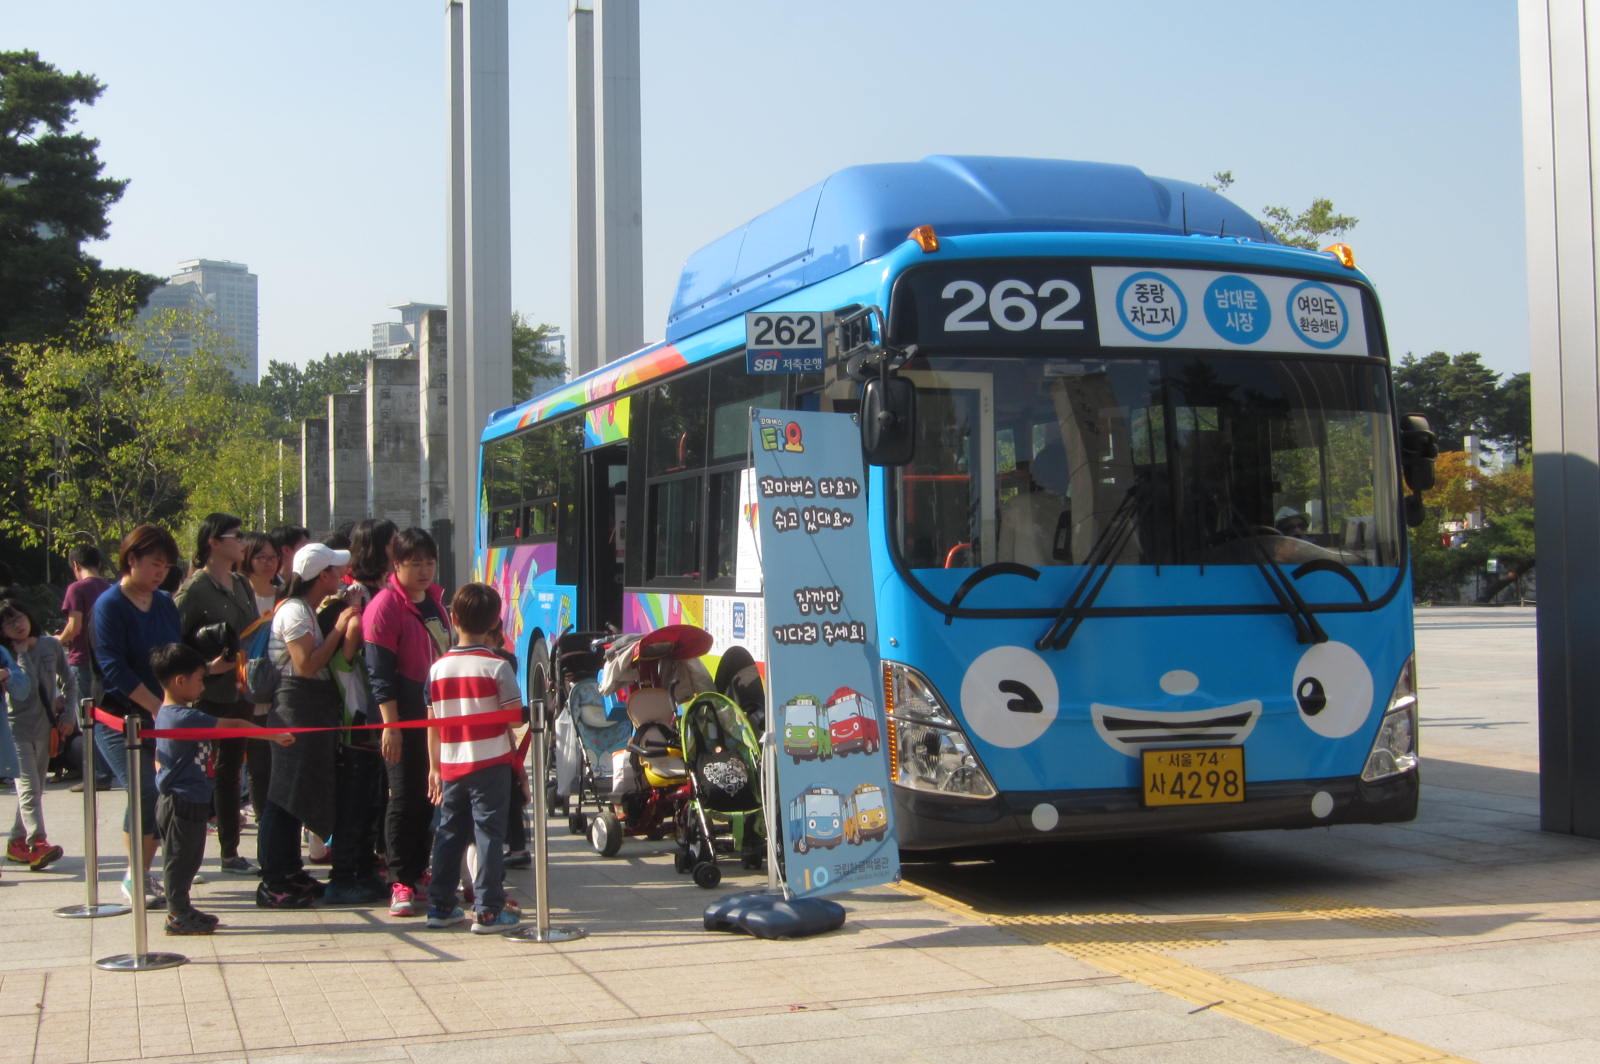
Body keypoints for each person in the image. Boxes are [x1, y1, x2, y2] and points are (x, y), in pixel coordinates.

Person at [151, 643, 293, 935]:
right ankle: (176, 913)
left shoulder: (169, 714)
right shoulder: (182, 717)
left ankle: (183, 908)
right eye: (200, 679)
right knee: (180, 860)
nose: (203, 686)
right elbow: (235, 724)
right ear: (180, 681)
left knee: (189, 857)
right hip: (181, 802)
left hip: (187, 799)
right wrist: (272, 735)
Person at [256, 543, 362, 908]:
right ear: (321, 577)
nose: (340, 575)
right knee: (283, 797)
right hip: (294, 709)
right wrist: (340, 628)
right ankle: (273, 878)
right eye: (335, 570)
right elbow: (305, 664)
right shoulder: (296, 613)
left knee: (295, 795)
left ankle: (289, 871)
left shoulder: (304, 608)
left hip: (307, 709)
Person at [91, 524, 189, 907]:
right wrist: (154, 704)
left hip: (163, 714)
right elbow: (112, 666)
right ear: (131, 560)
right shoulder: (109, 605)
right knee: (143, 789)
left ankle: (147, 869)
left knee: (162, 791)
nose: (160, 572)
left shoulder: (164, 602)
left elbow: (174, 654)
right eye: (154, 563)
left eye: (166, 566)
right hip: (120, 716)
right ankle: (136, 874)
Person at [424, 583, 524, 933]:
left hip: (451, 763)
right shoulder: (497, 667)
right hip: (491, 762)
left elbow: (432, 722)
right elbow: (514, 717)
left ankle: (440, 904)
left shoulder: (437, 668)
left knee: (449, 833)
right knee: (489, 834)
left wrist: (434, 767)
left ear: (453, 619)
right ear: (496, 621)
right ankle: (488, 909)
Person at [366, 527, 450, 918]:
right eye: (414, 562)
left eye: (429, 561)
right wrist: (391, 725)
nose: (423, 570)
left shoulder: (435, 601)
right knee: (402, 797)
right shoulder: (385, 606)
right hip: (402, 714)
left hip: (436, 715)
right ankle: (399, 878)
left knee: (427, 796)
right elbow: (379, 672)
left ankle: (419, 871)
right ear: (396, 564)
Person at [174, 513, 260, 875]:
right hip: (205, 693)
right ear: (213, 542)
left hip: (241, 687)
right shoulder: (194, 589)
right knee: (194, 774)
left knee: (229, 774)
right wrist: (206, 668)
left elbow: (253, 629)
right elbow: (174, 645)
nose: (242, 542)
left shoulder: (241, 582)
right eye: (235, 536)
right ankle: (183, 858)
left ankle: (229, 851)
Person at [323, 518, 394, 906]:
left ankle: (365, 868)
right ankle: (344, 873)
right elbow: (349, 655)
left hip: (375, 710)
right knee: (356, 797)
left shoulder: (379, 591)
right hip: (361, 712)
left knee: (372, 796)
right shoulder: (357, 597)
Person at [1, 601, 72, 870]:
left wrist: (68, 716)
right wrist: (19, 657)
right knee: (28, 786)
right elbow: (24, 688)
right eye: (9, 623)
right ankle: (37, 841)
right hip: (14, 727)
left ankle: (16, 841)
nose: (18, 625)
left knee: (36, 788)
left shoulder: (50, 645)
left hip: (45, 725)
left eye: (20, 617)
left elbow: (69, 680)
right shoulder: (5, 654)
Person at [59, 545, 113, 793]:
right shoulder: (109, 588)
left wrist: (55, 641)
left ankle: (98, 773)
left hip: (82, 659)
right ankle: (107, 768)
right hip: (105, 660)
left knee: (88, 718)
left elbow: (74, 626)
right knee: (105, 715)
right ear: (99, 564)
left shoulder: (76, 589)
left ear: (75, 566)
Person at [238, 532, 281, 816]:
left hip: (279, 687)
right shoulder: (239, 595)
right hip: (246, 688)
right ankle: (262, 813)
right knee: (257, 762)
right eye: (260, 557)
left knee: (277, 759)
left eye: (273, 557)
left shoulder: (285, 595)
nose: (267, 564)